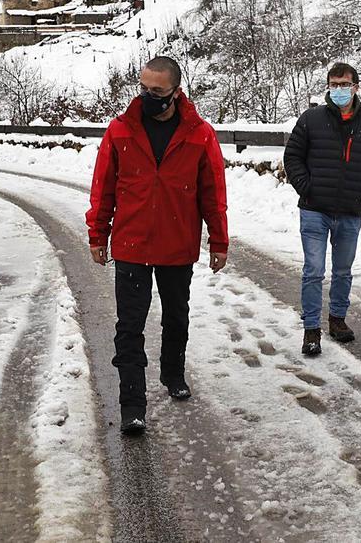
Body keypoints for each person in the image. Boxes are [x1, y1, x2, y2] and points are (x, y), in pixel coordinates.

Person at [86, 55, 229, 436]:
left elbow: (213, 193)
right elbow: (103, 189)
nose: (150, 96)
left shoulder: (199, 134)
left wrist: (219, 240)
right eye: (144, 88)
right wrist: (98, 234)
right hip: (131, 244)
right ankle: (132, 404)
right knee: (129, 325)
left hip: (178, 244)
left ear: (176, 92)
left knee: (176, 316)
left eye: (158, 91)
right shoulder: (120, 131)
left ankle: (173, 371)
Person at [283, 63, 361, 357]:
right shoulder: (311, 119)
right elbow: (292, 156)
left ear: (356, 86)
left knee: (342, 271)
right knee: (313, 271)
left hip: (350, 211)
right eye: (334, 84)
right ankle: (311, 330)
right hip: (315, 209)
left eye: (344, 84)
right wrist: (307, 187)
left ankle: (338, 320)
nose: (339, 90)